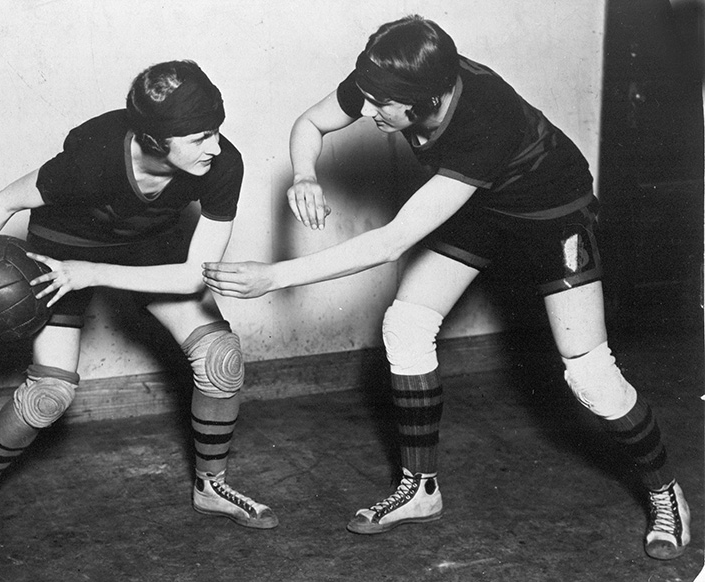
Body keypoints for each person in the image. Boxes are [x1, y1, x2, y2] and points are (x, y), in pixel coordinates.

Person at [202, 15, 690, 559]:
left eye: (381, 105)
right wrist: (304, 175)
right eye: (366, 97)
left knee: (590, 376)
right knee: (406, 325)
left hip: (552, 213)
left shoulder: (485, 118)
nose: (366, 111)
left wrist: (276, 276)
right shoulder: (390, 80)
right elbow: (310, 124)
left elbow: (392, 242)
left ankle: (665, 492)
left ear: (427, 100)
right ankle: (421, 488)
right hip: (483, 201)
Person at [0, 60, 278, 541]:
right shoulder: (93, 157)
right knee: (48, 397)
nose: (215, 147)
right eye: (200, 138)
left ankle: (211, 487)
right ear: (155, 140)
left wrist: (93, 273)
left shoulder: (222, 164)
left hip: (145, 245)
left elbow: (190, 276)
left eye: (216, 131)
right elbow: (6, 202)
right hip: (63, 247)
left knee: (221, 358)